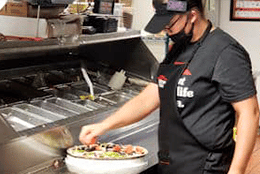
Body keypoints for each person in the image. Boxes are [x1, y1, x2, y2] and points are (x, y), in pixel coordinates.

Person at [79, 0, 259, 173]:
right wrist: (103, 126)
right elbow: (147, 98)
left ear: (192, 15)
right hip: (171, 162)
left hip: (205, 165)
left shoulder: (226, 52)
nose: (166, 30)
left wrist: (237, 170)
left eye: (170, 24)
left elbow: (249, 113)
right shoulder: (178, 49)